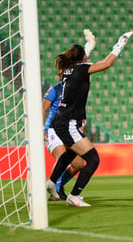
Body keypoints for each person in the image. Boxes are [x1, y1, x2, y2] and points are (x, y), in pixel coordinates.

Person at [47, 31, 133, 207]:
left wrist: (89, 45)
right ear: (83, 58)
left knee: (71, 153)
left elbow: (81, 58)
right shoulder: (80, 69)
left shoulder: (67, 70)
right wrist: (120, 43)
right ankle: (74, 196)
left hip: (62, 120)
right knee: (93, 159)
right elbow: (107, 63)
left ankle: (51, 183)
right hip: (67, 122)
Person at [43, 29, 95, 201]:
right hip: (54, 129)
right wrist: (42, 128)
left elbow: (82, 61)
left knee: (78, 162)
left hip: (66, 125)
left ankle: (54, 185)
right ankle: (56, 188)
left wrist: (90, 44)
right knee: (66, 159)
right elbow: (44, 108)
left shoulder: (73, 82)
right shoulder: (55, 89)